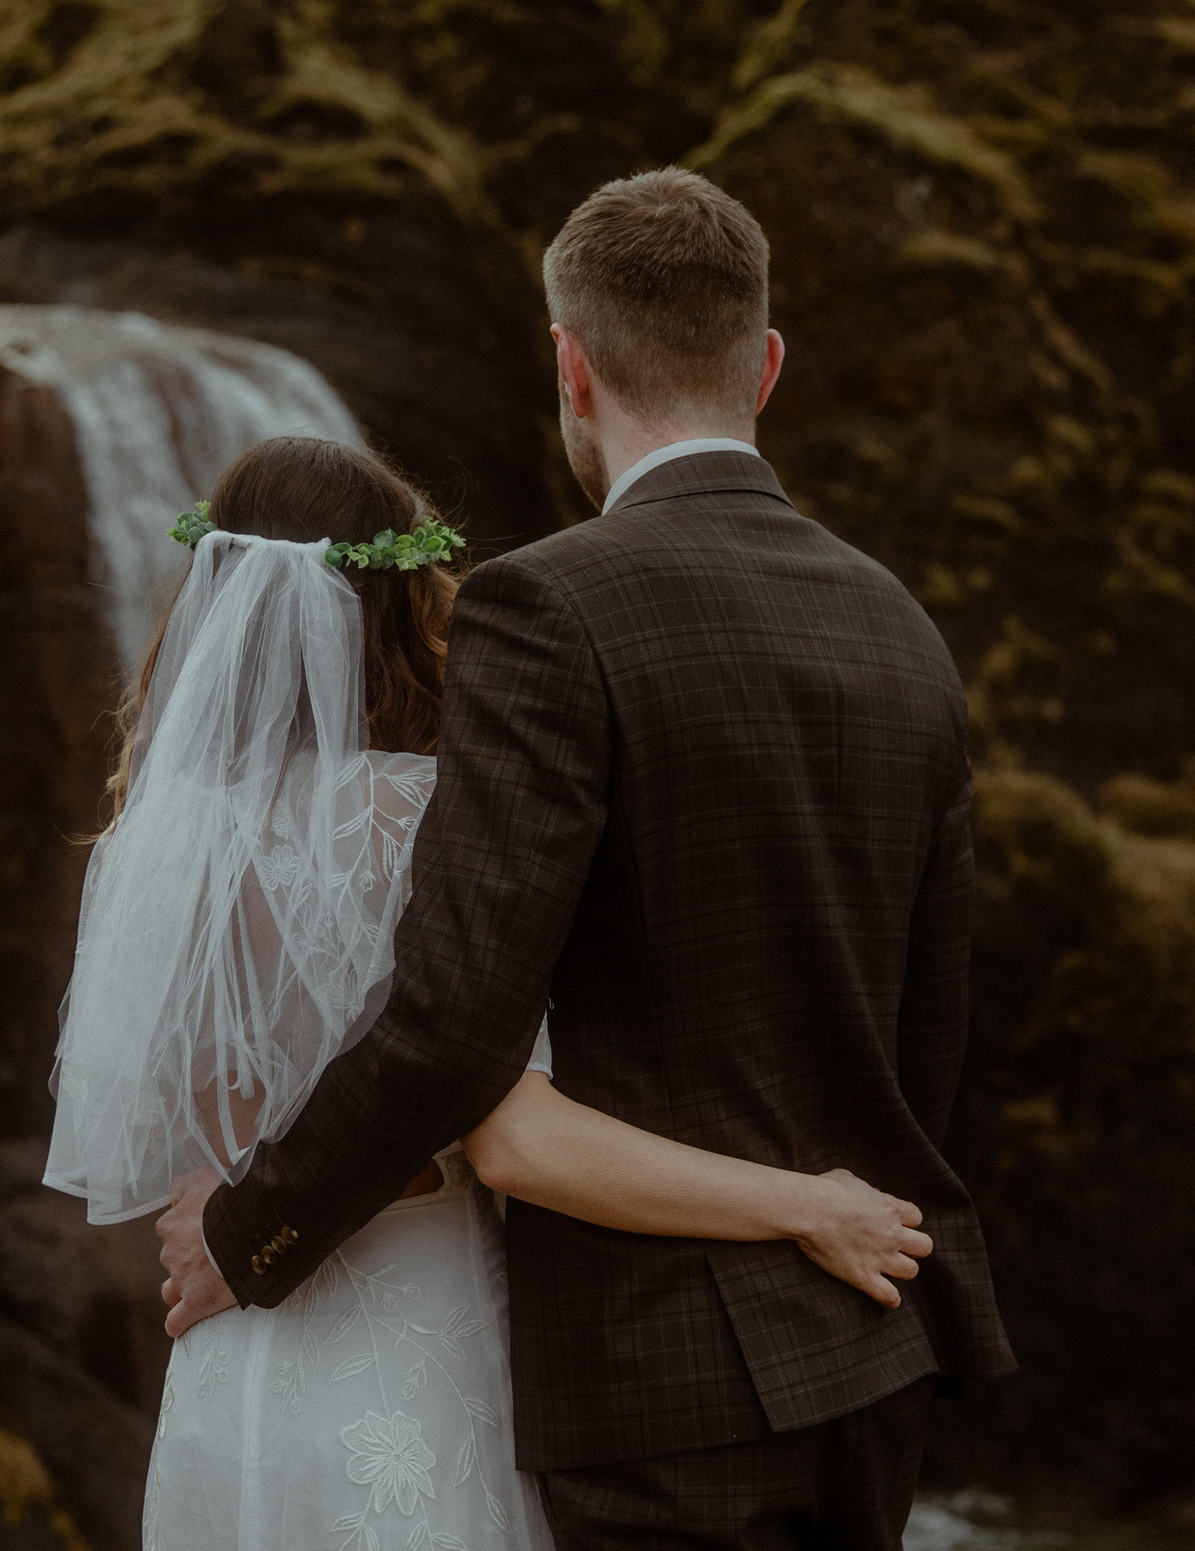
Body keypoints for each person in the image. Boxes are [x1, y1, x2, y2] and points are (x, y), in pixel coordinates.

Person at [158, 168, 1017, 1549]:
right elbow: (926, 1029)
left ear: (571, 362)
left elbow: (450, 1023)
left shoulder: (548, 605)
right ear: (768, 363)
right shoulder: (897, 624)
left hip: (657, 1382)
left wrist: (253, 1225)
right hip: (868, 1350)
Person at [45, 433, 937, 1551]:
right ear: (398, 601)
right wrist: (809, 1205)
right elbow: (512, 1135)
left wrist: (243, 1227)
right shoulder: (411, 818)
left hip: (231, 1372)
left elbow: (197, 1113)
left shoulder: (149, 839)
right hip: (414, 1360)